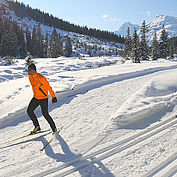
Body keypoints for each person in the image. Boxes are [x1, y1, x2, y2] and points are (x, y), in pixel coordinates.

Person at [27, 63, 58, 134]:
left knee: (45, 114)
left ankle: (54, 128)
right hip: (35, 98)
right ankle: (37, 126)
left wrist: (53, 96)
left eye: (29, 70)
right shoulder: (30, 78)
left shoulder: (41, 78)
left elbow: (48, 87)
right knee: (29, 111)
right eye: (28, 70)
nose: (28, 72)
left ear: (33, 70)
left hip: (43, 99)